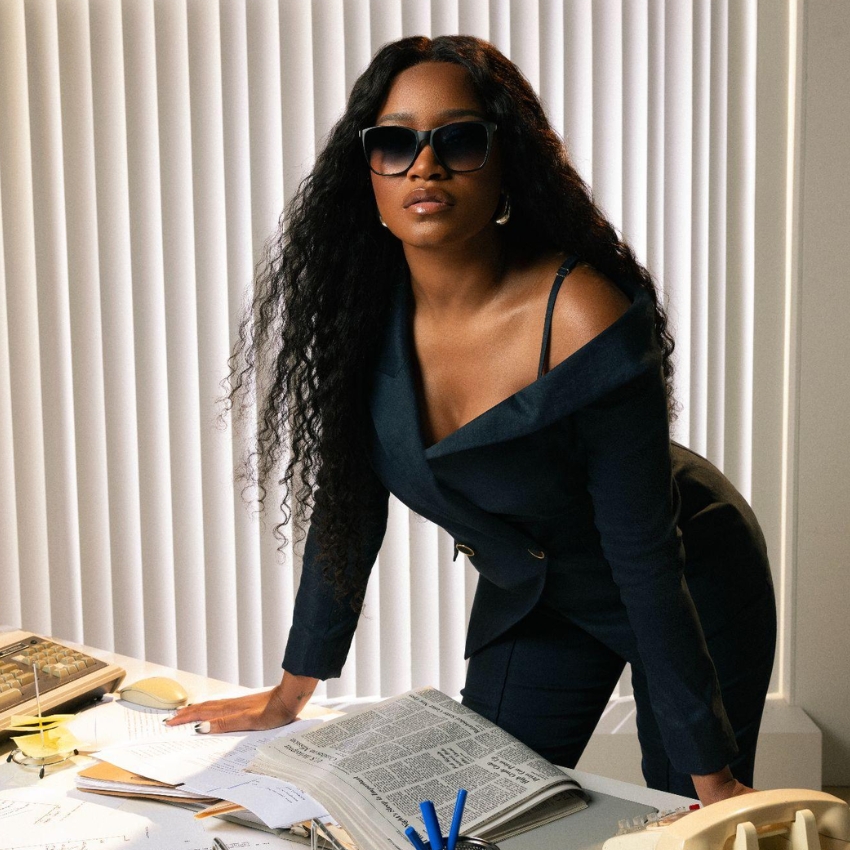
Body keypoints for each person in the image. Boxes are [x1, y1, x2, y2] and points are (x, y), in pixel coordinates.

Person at [169, 35, 776, 805]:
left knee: (682, 810)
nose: (425, 166)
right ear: (370, 176)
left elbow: (645, 558)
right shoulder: (363, 319)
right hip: (534, 591)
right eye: (395, 144)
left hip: (687, 576)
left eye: (457, 140)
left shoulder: (583, 313)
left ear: (504, 164)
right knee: (476, 806)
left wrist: (714, 786)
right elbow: (347, 514)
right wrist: (290, 692)